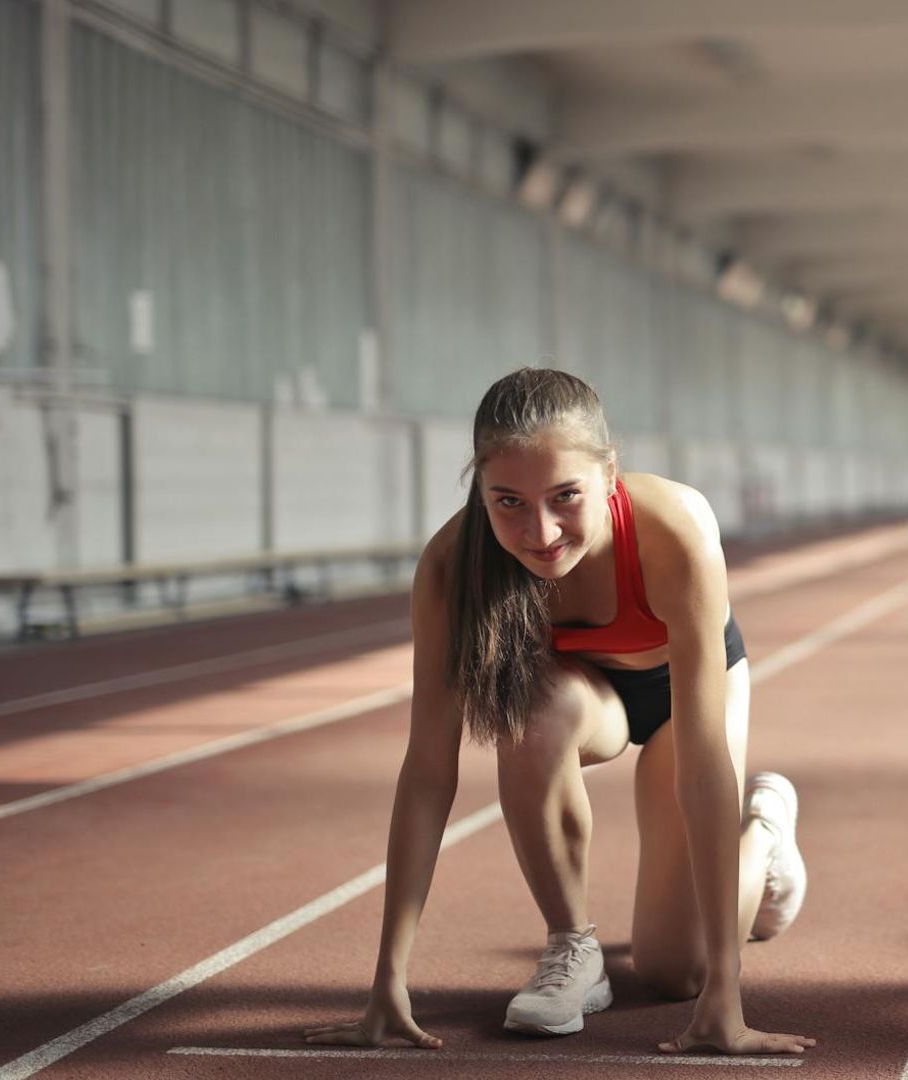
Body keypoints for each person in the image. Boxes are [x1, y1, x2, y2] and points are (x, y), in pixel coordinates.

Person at [304, 368, 813, 1056]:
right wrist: (388, 980)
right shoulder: (452, 567)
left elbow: (702, 765)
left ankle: (765, 833)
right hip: (582, 696)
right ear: (480, 489)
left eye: (565, 496)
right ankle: (573, 948)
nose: (540, 532)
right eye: (508, 502)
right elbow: (427, 770)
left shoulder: (674, 529)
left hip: (685, 692)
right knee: (530, 713)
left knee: (676, 972)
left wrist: (727, 992)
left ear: (610, 474)